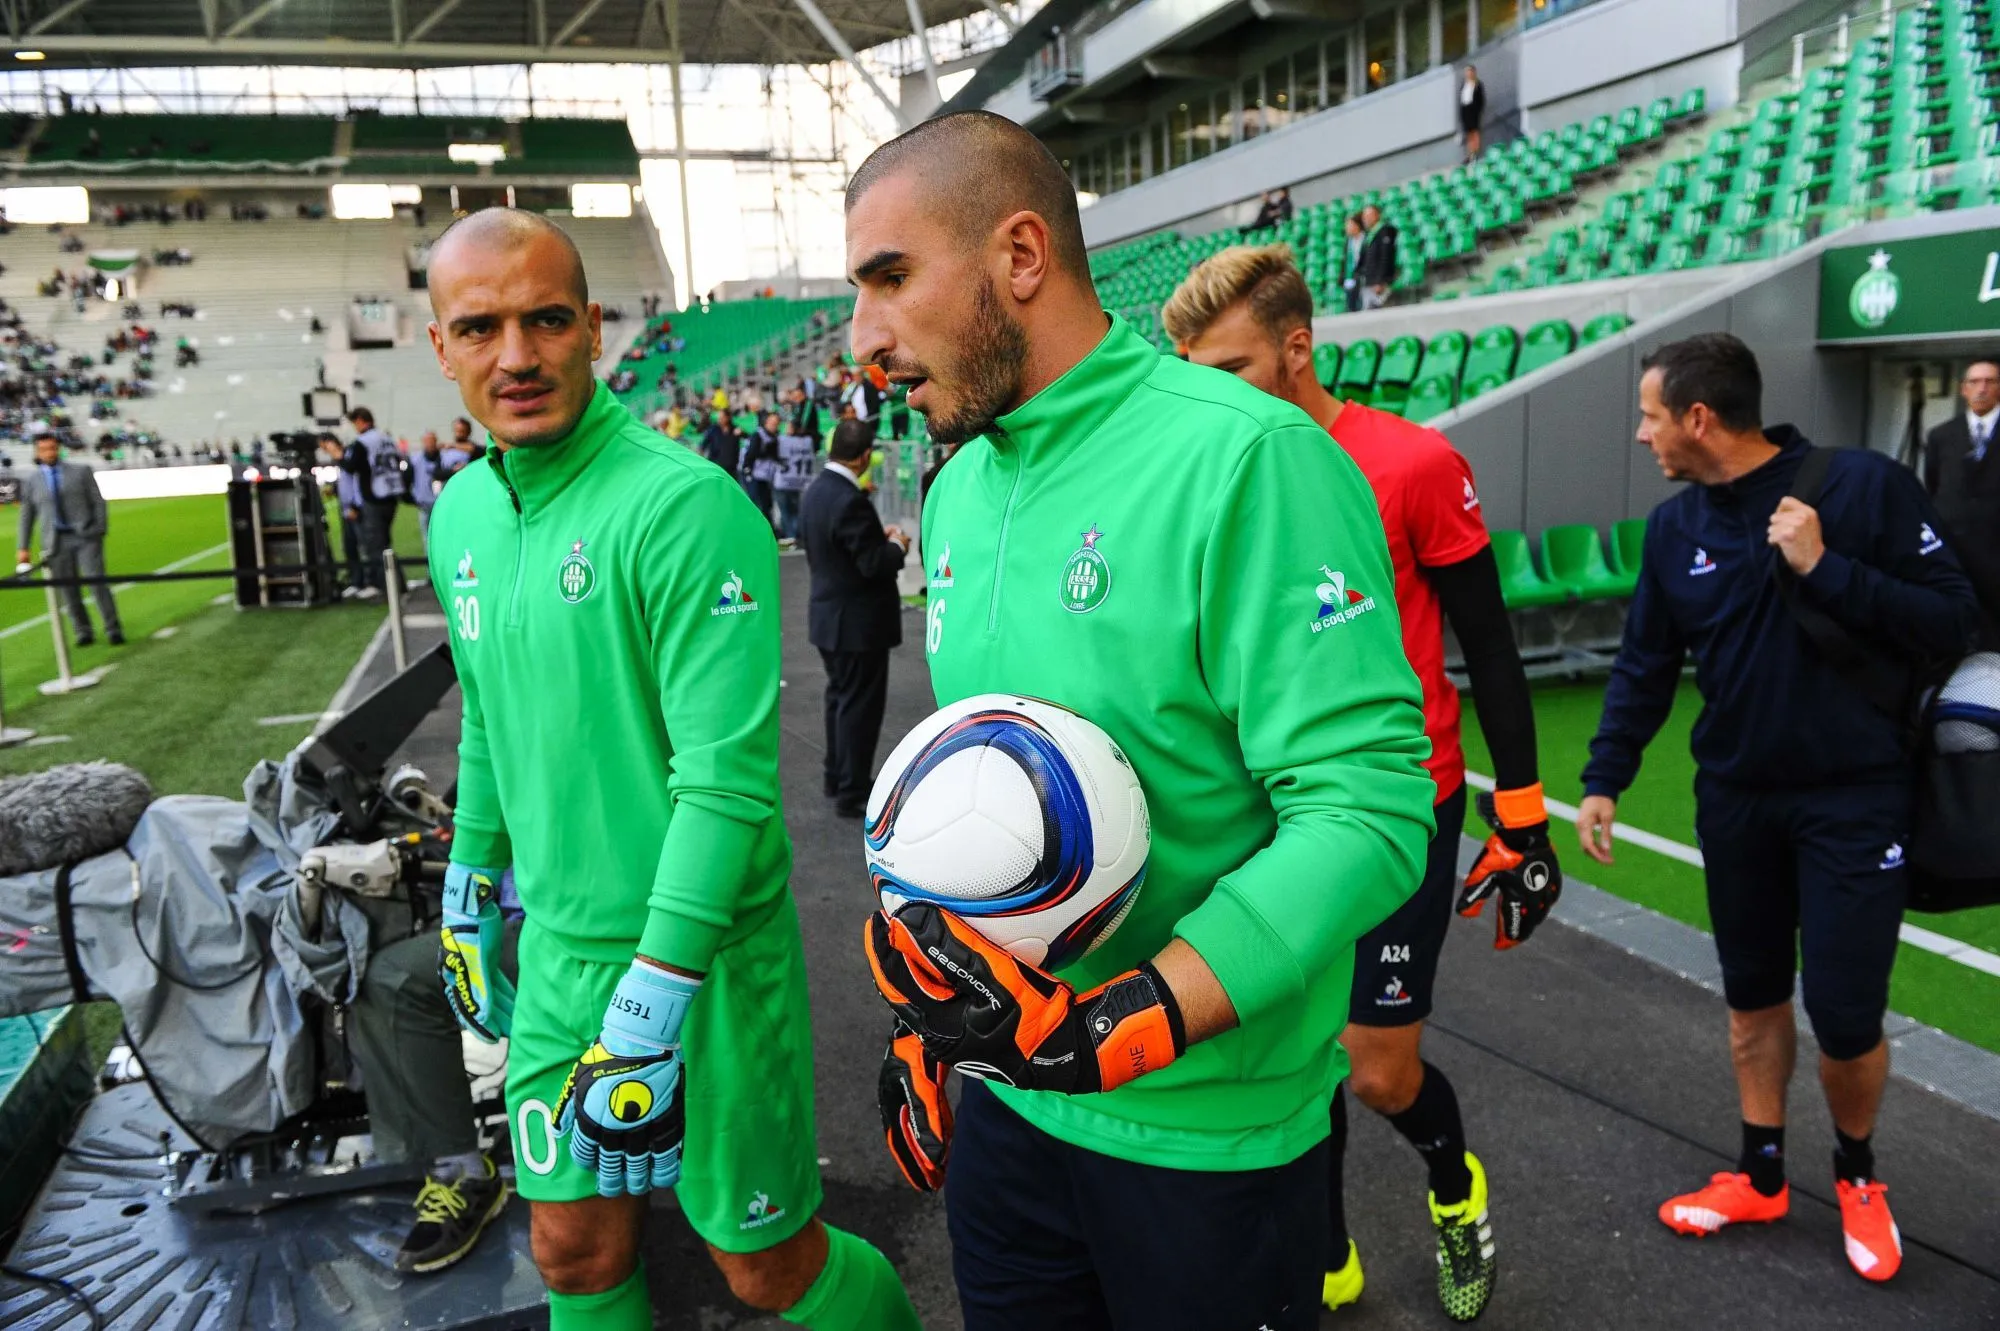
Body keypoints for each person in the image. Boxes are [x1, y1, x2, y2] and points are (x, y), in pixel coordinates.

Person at [846, 110, 1433, 1330]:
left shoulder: (1247, 457)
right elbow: (997, 798)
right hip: (1009, 1112)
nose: (867, 340)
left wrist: (1131, 1015)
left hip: (1208, 1138)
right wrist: (940, 1012)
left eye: (891, 279)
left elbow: (1370, 806)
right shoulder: (957, 492)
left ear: (1019, 256)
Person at [421, 207, 920, 1331]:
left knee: (766, 1265)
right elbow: (490, 722)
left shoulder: (683, 506)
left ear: (596, 330)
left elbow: (727, 783)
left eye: (547, 319)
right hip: (556, 958)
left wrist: (659, 983)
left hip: (704, 968)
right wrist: (467, 882)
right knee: (571, 1247)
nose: (517, 355)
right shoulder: (457, 512)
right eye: (482, 326)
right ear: (439, 347)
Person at [1164, 243, 1561, 1322]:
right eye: (1191, 370)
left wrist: (1519, 819)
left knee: (1376, 1070)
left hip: (1396, 809)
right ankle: (1325, 1243)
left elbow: (1486, 642)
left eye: (1232, 367)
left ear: (1298, 348)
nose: (1205, 393)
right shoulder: (1204, 471)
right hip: (1262, 811)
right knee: (1289, 1051)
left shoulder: (1411, 463)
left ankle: (1452, 1187)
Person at [1577, 333, 1978, 1284]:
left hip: (1855, 800)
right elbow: (1644, 663)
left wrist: (1825, 566)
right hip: (1736, 802)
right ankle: (1760, 1172)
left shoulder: (1862, 488)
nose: (1643, 435)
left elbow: (1954, 618)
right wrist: (1604, 775)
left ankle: (1857, 1176)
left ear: (1699, 417)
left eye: (1650, 415)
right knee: (1752, 1001)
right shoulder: (1675, 529)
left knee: (1845, 1014)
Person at [350, 901, 519, 1273]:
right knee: (381, 971)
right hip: (509, 917)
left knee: (398, 980)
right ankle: (461, 1170)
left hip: (592, 929)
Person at [799, 417, 909, 820]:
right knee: (860, 708)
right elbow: (872, 565)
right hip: (858, 623)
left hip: (828, 615)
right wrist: (896, 545)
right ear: (864, 457)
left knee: (839, 701)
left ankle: (836, 775)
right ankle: (853, 789)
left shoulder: (816, 491)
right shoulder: (849, 500)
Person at [14, 427, 122, 646]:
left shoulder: (81, 471)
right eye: (43, 449)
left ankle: (113, 629)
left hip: (85, 536)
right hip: (55, 541)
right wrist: (23, 547)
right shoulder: (32, 481)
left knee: (97, 582)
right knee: (68, 589)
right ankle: (83, 631)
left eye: (52, 448)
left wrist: (98, 529)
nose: (48, 453)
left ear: (59, 448)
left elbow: (98, 502)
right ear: (37, 451)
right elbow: (26, 516)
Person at [1921, 359, 2000, 636]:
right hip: (1955, 548)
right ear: (1963, 389)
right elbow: (1932, 486)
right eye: (1974, 382)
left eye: (1990, 381)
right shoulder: (1941, 435)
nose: (1982, 389)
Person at [345, 406, 405, 592]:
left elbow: (351, 466)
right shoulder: (387, 438)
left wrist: (338, 455)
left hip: (374, 496)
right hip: (391, 496)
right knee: (385, 544)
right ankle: (396, 584)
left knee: (376, 546)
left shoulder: (363, 442)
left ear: (361, 421)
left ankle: (387, 586)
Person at [741, 411, 782, 529]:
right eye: (772, 423)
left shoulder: (775, 437)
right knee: (757, 502)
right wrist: (747, 470)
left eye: (776, 423)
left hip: (767, 476)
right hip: (755, 475)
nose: (774, 425)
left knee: (767, 504)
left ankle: (769, 528)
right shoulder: (759, 435)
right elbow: (751, 454)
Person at [1357, 204, 1398, 311]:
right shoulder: (1369, 234)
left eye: (1369, 215)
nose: (1366, 219)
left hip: (1379, 283)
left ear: (1377, 215)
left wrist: (1381, 281)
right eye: (1364, 216)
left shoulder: (1385, 231)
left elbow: (1386, 257)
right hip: (1369, 281)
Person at [409, 429, 444, 545]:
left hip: (440, 503)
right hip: (423, 503)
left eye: (432, 441)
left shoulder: (443, 458)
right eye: (427, 441)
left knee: (441, 534)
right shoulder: (415, 459)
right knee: (426, 536)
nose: (430, 444)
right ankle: (428, 560)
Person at [1458, 66, 1486, 162]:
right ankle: (1470, 154)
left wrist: (1478, 110)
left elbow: (1481, 100)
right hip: (1466, 111)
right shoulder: (1464, 85)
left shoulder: (1478, 84)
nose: (1468, 74)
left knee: (1475, 132)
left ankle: (1476, 153)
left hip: (1474, 111)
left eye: (1469, 71)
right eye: (1467, 72)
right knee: (1468, 133)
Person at [1341, 213, 1366, 313]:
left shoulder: (1365, 239)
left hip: (1361, 277)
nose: (1347, 228)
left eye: (1349, 225)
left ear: (1357, 226)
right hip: (1350, 277)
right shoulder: (1348, 242)